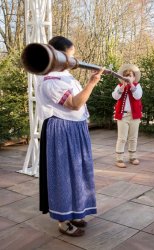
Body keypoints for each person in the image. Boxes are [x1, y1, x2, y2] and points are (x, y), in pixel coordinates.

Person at [36, 36, 104, 237]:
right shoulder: (50, 82)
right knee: (63, 175)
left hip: (75, 128)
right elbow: (75, 103)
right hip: (61, 130)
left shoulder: (65, 76)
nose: (71, 60)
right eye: (68, 56)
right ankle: (63, 220)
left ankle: (75, 212)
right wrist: (92, 82)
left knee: (78, 173)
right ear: (55, 55)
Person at [112, 64, 143, 168]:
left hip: (134, 116)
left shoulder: (137, 86)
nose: (128, 77)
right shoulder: (119, 87)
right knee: (122, 138)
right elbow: (115, 96)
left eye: (130, 75)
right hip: (123, 116)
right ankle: (119, 159)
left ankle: (132, 157)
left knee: (133, 137)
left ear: (134, 77)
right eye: (126, 75)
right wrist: (123, 86)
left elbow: (138, 96)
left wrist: (132, 85)